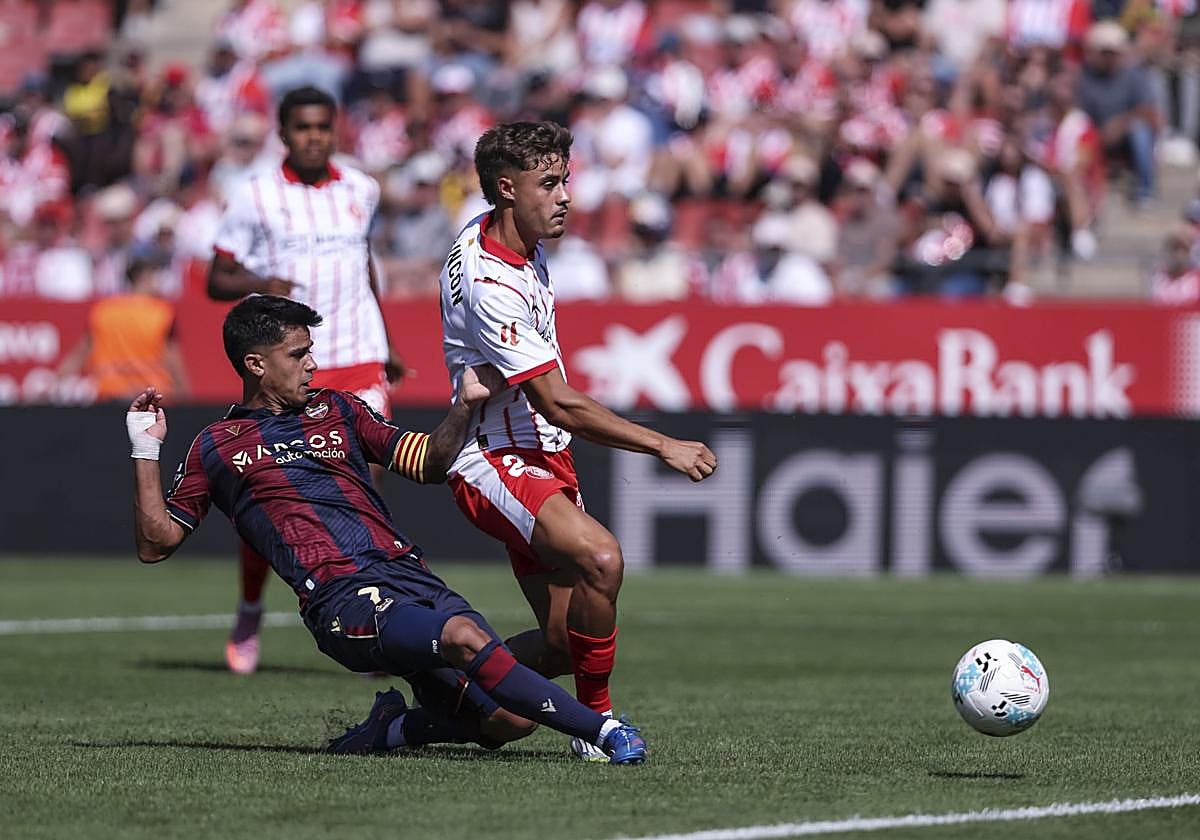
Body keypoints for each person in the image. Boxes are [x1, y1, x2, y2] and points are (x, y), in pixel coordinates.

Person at [126, 295, 648, 764]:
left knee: (511, 719)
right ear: (256, 364)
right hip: (341, 599)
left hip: (410, 576)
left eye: (311, 351)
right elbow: (156, 543)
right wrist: (146, 448)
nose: (312, 364)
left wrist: (464, 407)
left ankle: (393, 729)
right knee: (463, 638)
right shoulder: (218, 445)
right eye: (298, 355)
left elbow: (427, 463)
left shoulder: (339, 408)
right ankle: (605, 732)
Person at [438, 121, 717, 760]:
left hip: (541, 455)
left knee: (555, 658)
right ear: (506, 189)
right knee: (602, 558)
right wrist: (663, 445)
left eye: (565, 180)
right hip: (494, 460)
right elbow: (558, 402)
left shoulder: (513, 239)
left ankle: (434, 702)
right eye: (548, 183)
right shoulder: (490, 281)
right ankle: (599, 728)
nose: (565, 196)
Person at [207, 86, 408, 675]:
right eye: (303, 127)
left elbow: (363, 263)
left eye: (323, 126)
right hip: (287, 362)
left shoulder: (362, 189)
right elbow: (216, 278)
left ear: (335, 129)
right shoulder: (254, 195)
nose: (314, 136)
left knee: (361, 492)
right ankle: (251, 606)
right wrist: (262, 280)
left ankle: (371, 623)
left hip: (359, 356)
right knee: (272, 495)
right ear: (283, 133)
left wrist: (389, 341)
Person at [58, 257, 189, 401]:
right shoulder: (162, 313)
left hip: (109, 394)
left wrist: (57, 382)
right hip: (150, 396)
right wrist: (185, 398)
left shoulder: (104, 310)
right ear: (145, 277)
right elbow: (173, 360)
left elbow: (81, 353)